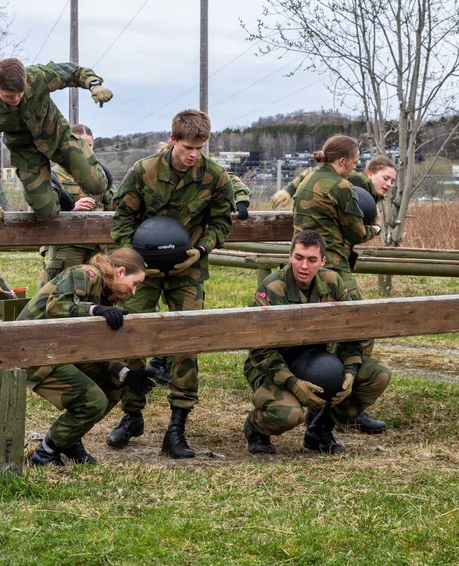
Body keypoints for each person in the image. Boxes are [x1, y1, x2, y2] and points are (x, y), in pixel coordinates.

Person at [106, 109, 234, 459]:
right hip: (142, 268)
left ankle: (177, 427)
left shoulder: (215, 176)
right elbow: (123, 219)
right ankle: (132, 415)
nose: (194, 154)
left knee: (187, 340)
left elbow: (222, 221)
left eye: (200, 147)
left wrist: (203, 249)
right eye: (188, 146)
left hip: (186, 269)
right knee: (129, 333)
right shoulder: (144, 171)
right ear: (173, 139)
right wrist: (129, 260)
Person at [244, 231, 392, 454]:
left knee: (378, 375)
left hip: (319, 361)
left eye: (312, 260)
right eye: (299, 257)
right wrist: (293, 383)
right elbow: (260, 349)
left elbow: (350, 334)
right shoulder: (273, 288)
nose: (304, 266)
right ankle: (256, 428)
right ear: (290, 256)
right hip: (272, 366)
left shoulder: (333, 283)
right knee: (289, 414)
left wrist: (350, 372)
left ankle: (320, 429)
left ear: (322, 261)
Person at [291, 137, 397, 433]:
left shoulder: (307, 182)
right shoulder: (341, 187)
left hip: (306, 268)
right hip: (334, 269)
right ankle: (344, 407)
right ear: (342, 161)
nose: (354, 166)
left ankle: (319, 401)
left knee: (323, 335)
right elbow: (356, 232)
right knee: (360, 332)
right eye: (353, 161)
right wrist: (373, 228)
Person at [19, 248, 157, 467]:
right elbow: (56, 307)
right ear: (120, 272)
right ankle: (45, 452)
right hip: (33, 352)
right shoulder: (85, 273)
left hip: (58, 351)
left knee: (116, 383)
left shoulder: (104, 291)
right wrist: (95, 310)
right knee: (93, 401)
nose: (133, 292)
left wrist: (125, 373)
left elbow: (93, 347)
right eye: (136, 283)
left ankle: (70, 439)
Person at [0, 58, 113, 227]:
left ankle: (89, 162)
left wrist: (94, 84)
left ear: (25, 81)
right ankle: (54, 185)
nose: (16, 99)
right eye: (9, 96)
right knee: (46, 214)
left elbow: (73, 72)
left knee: (97, 186)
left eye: (20, 93)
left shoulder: (37, 76)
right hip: (27, 153)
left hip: (58, 138)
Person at [37, 124, 115, 288]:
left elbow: (111, 203)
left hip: (96, 245)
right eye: (81, 146)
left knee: (96, 291)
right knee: (62, 291)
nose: (86, 151)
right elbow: (41, 210)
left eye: (90, 146)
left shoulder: (99, 175)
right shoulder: (53, 175)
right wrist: (70, 208)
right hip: (66, 246)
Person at [270, 156, 397, 210]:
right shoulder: (357, 180)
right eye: (386, 178)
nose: (389, 184)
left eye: (392, 181)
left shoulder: (372, 196)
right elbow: (317, 171)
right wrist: (289, 190)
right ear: (370, 173)